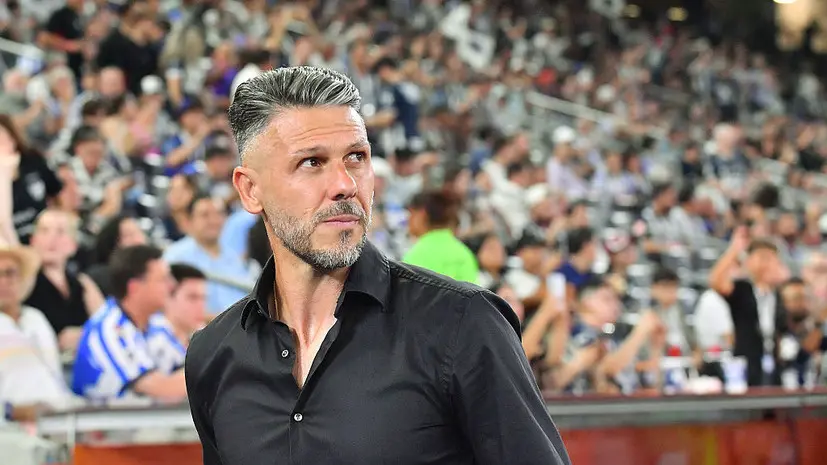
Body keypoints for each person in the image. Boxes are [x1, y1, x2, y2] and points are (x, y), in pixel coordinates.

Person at [185, 67, 570, 465]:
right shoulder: (213, 355)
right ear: (250, 190)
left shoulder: (464, 324)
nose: (345, 184)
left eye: (356, 157)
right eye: (312, 162)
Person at [71, 245, 186, 401]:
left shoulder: (156, 323)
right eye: (163, 279)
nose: (172, 285)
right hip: (104, 416)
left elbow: (186, 369)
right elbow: (163, 389)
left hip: (146, 415)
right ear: (134, 287)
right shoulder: (110, 329)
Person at [403, 190, 479, 283]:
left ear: (421, 215)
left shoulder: (414, 256)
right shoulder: (465, 254)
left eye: (410, 214)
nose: (408, 220)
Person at [147, 264, 207, 374]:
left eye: (203, 298)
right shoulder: (154, 339)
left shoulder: (203, 334)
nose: (201, 306)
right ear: (168, 297)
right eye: (192, 297)